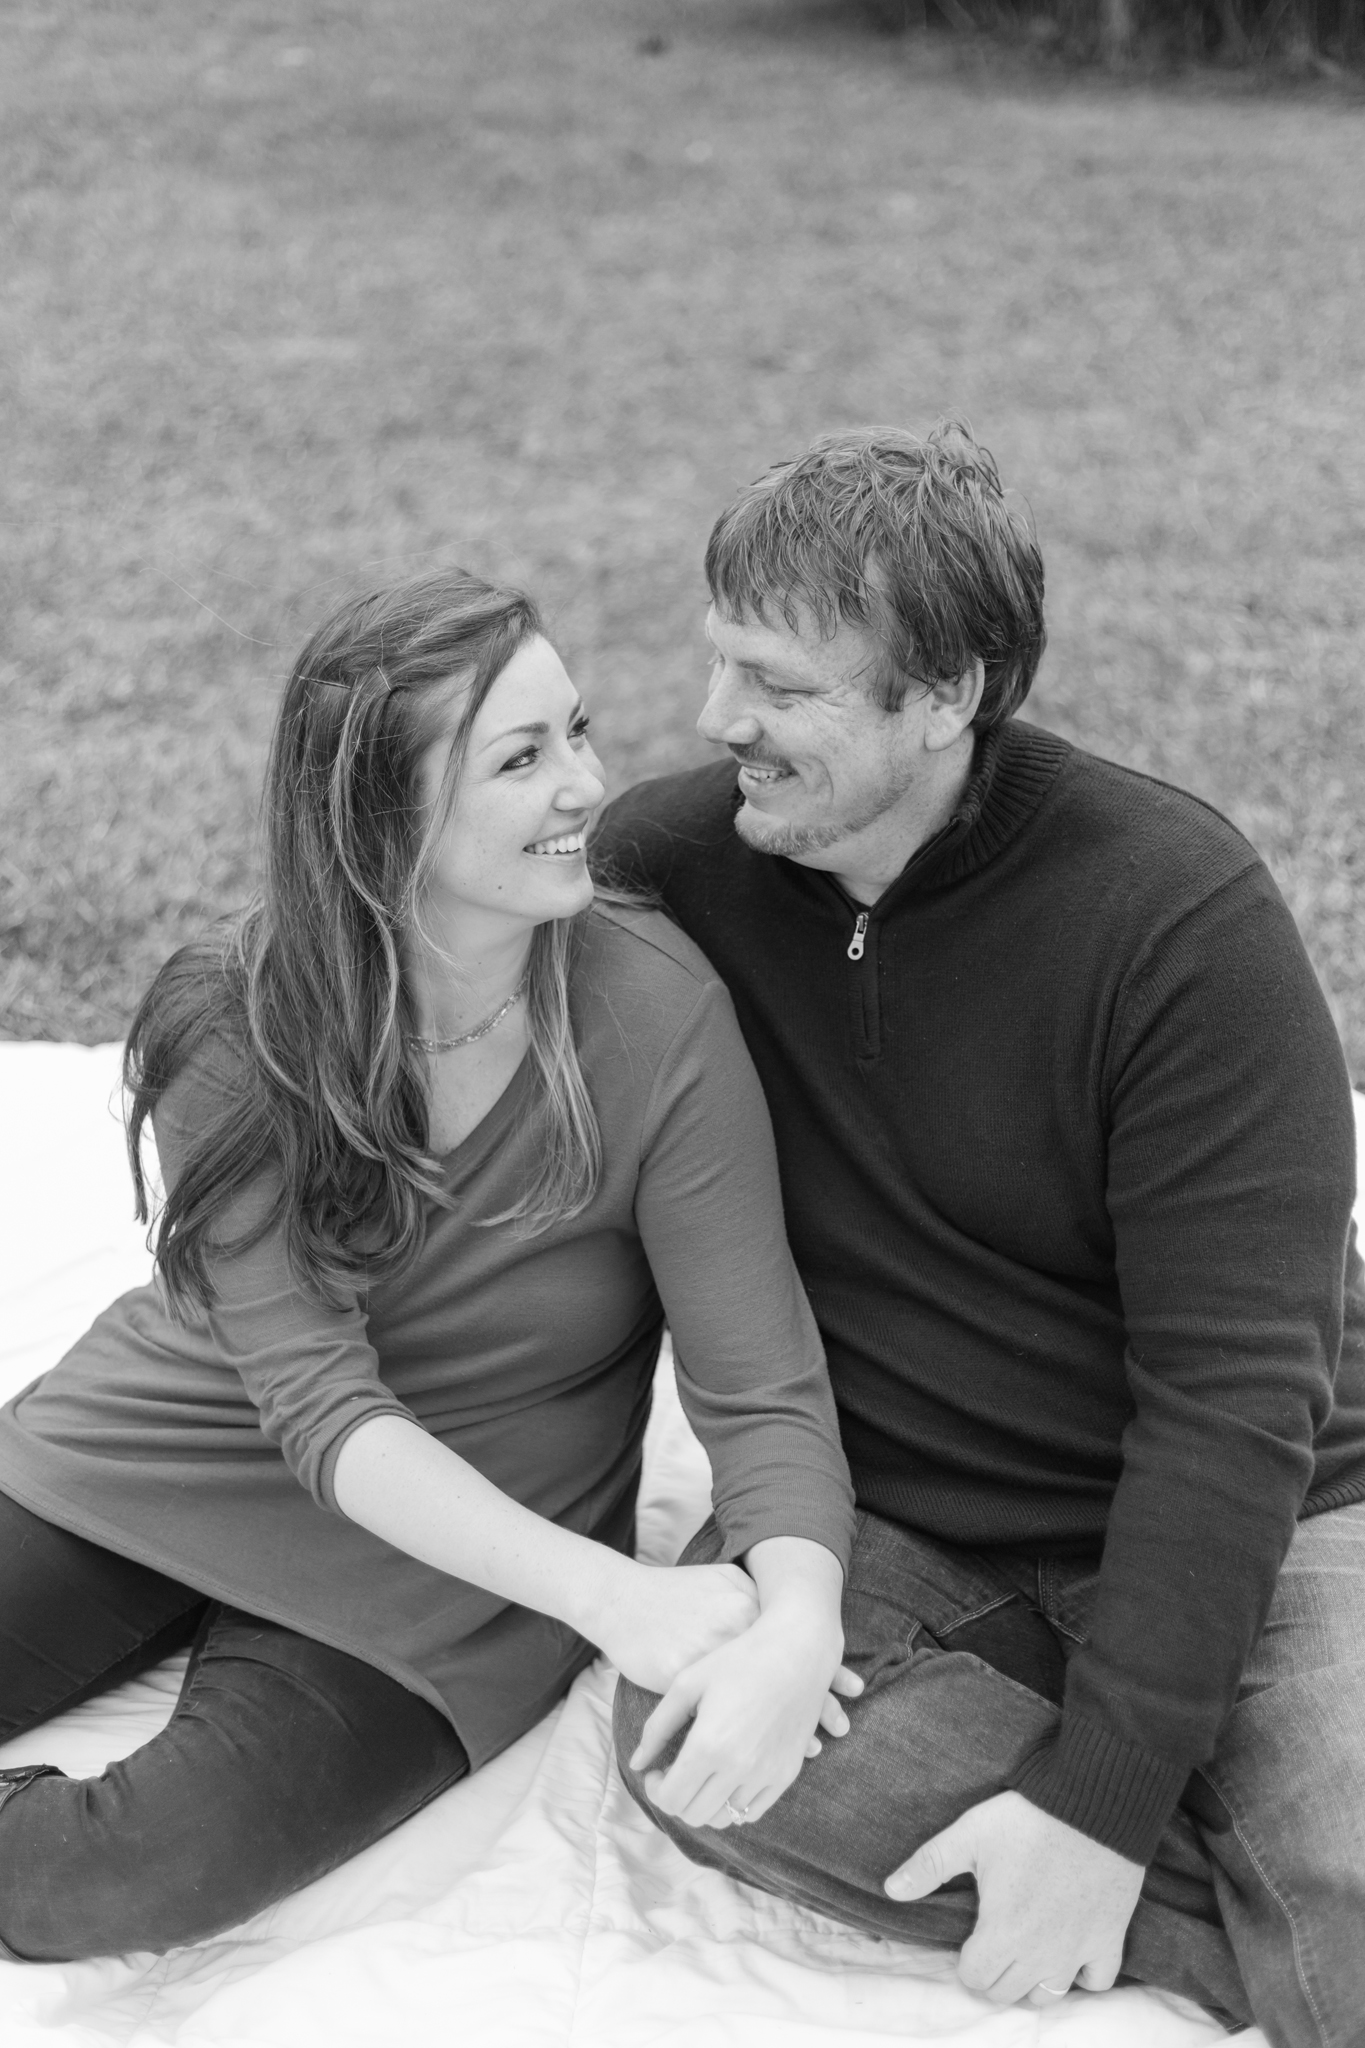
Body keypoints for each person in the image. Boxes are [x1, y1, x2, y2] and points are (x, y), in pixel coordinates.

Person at [598, 424, 1365, 2048]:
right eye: (718, 659)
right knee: (696, 1742)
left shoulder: (1174, 917)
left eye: (778, 686)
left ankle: (1160, 1820)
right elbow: (413, 942)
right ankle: (1205, 1883)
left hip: (1277, 1513)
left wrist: (1097, 1799)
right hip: (909, 1528)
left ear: (944, 696)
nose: (717, 720)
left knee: (1352, 1885)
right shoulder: (675, 869)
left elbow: (1232, 1406)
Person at [0, 571, 861, 1962]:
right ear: (379, 815)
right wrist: (623, 1600)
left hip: (479, 1555)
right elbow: (315, 1400)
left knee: (100, 1886)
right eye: (521, 760)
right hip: (181, 1443)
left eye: (576, 732)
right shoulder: (235, 1017)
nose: (587, 785)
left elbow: (760, 1387)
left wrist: (800, 1619)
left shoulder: (656, 1013)